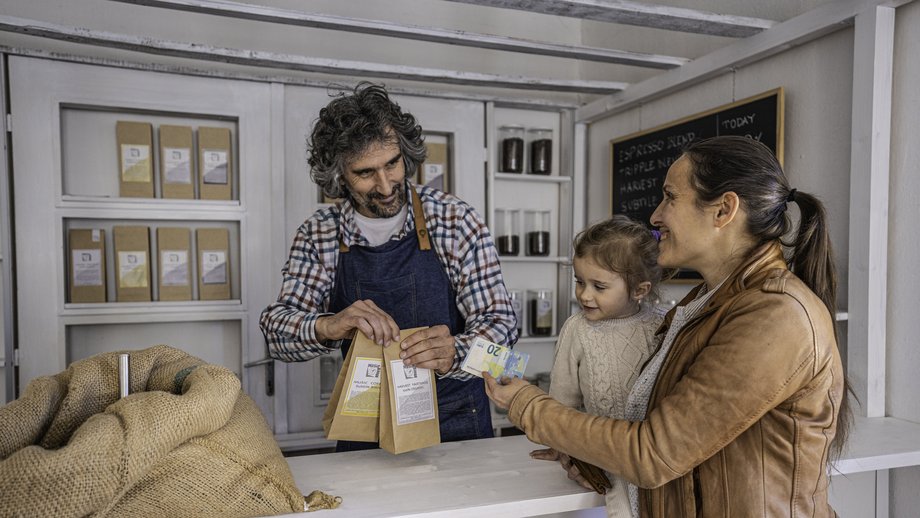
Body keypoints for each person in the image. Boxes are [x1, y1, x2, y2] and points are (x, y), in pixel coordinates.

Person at [485, 135, 850, 517]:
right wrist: (591, 460)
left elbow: (653, 453)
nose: (656, 216)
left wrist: (526, 403)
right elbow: (679, 446)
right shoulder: (706, 299)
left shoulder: (774, 316)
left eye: (670, 197)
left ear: (724, 210)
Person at [260, 82, 518, 451]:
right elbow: (276, 336)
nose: (385, 185)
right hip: (366, 423)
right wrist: (329, 325)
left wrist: (455, 353)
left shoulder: (455, 220)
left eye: (392, 164)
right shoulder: (320, 233)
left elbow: (505, 336)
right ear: (339, 177)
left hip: (456, 424)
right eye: (365, 173)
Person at [533, 214, 665, 518]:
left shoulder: (662, 326)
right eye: (580, 282)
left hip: (649, 462)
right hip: (596, 461)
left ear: (640, 290)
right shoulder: (577, 329)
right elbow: (561, 400)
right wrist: (559, 445)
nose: (584, 294)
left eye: (599, 286)